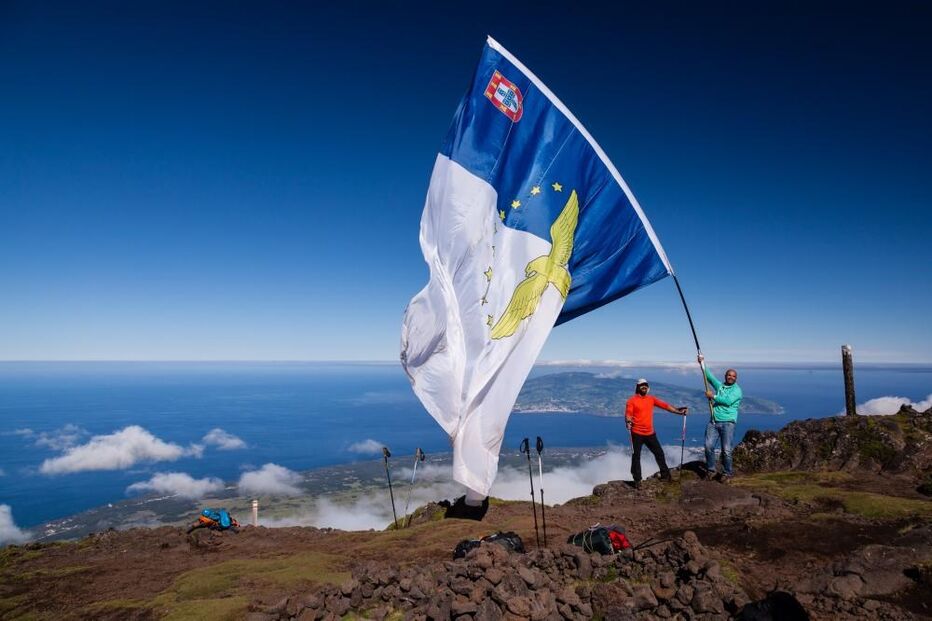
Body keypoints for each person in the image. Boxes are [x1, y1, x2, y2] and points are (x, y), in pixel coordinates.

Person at [625, 378, 688, 488]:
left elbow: (665, 406)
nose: (644, 386)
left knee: (659, 453)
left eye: (645, 385)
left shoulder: (651, 399)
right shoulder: (632, 401)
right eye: (641, 385)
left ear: (648, 387)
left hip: (650, 433)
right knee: (636, 457)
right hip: (636, 433)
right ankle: (637, 480)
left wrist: (679, 412)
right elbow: (628, 414)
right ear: (637, 387)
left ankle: (665, 476)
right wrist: (628, 421)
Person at [698, 355, 743, 479]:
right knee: (708, 446)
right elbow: (709, 377)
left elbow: (727, 401)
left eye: (733, 376)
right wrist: (702, 363)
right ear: (725, 376)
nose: (731, 377)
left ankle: (727, 473)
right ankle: (711, 470)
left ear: (736, 378)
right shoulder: (720, 386)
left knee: (726, 450)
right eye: (729, 375)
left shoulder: (737, 390)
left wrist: (713, 396)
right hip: (714, 421)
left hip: (728, 423)